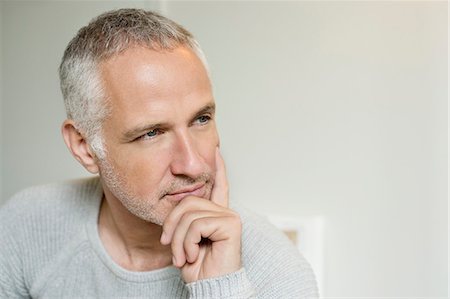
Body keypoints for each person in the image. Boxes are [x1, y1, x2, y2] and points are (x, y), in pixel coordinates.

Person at [0, 8, 318, 298]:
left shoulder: (280, 276)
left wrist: (220, 289)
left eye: (201, 119)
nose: (193, 164)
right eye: (152, 133)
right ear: (84, 147)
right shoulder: (25, 226)